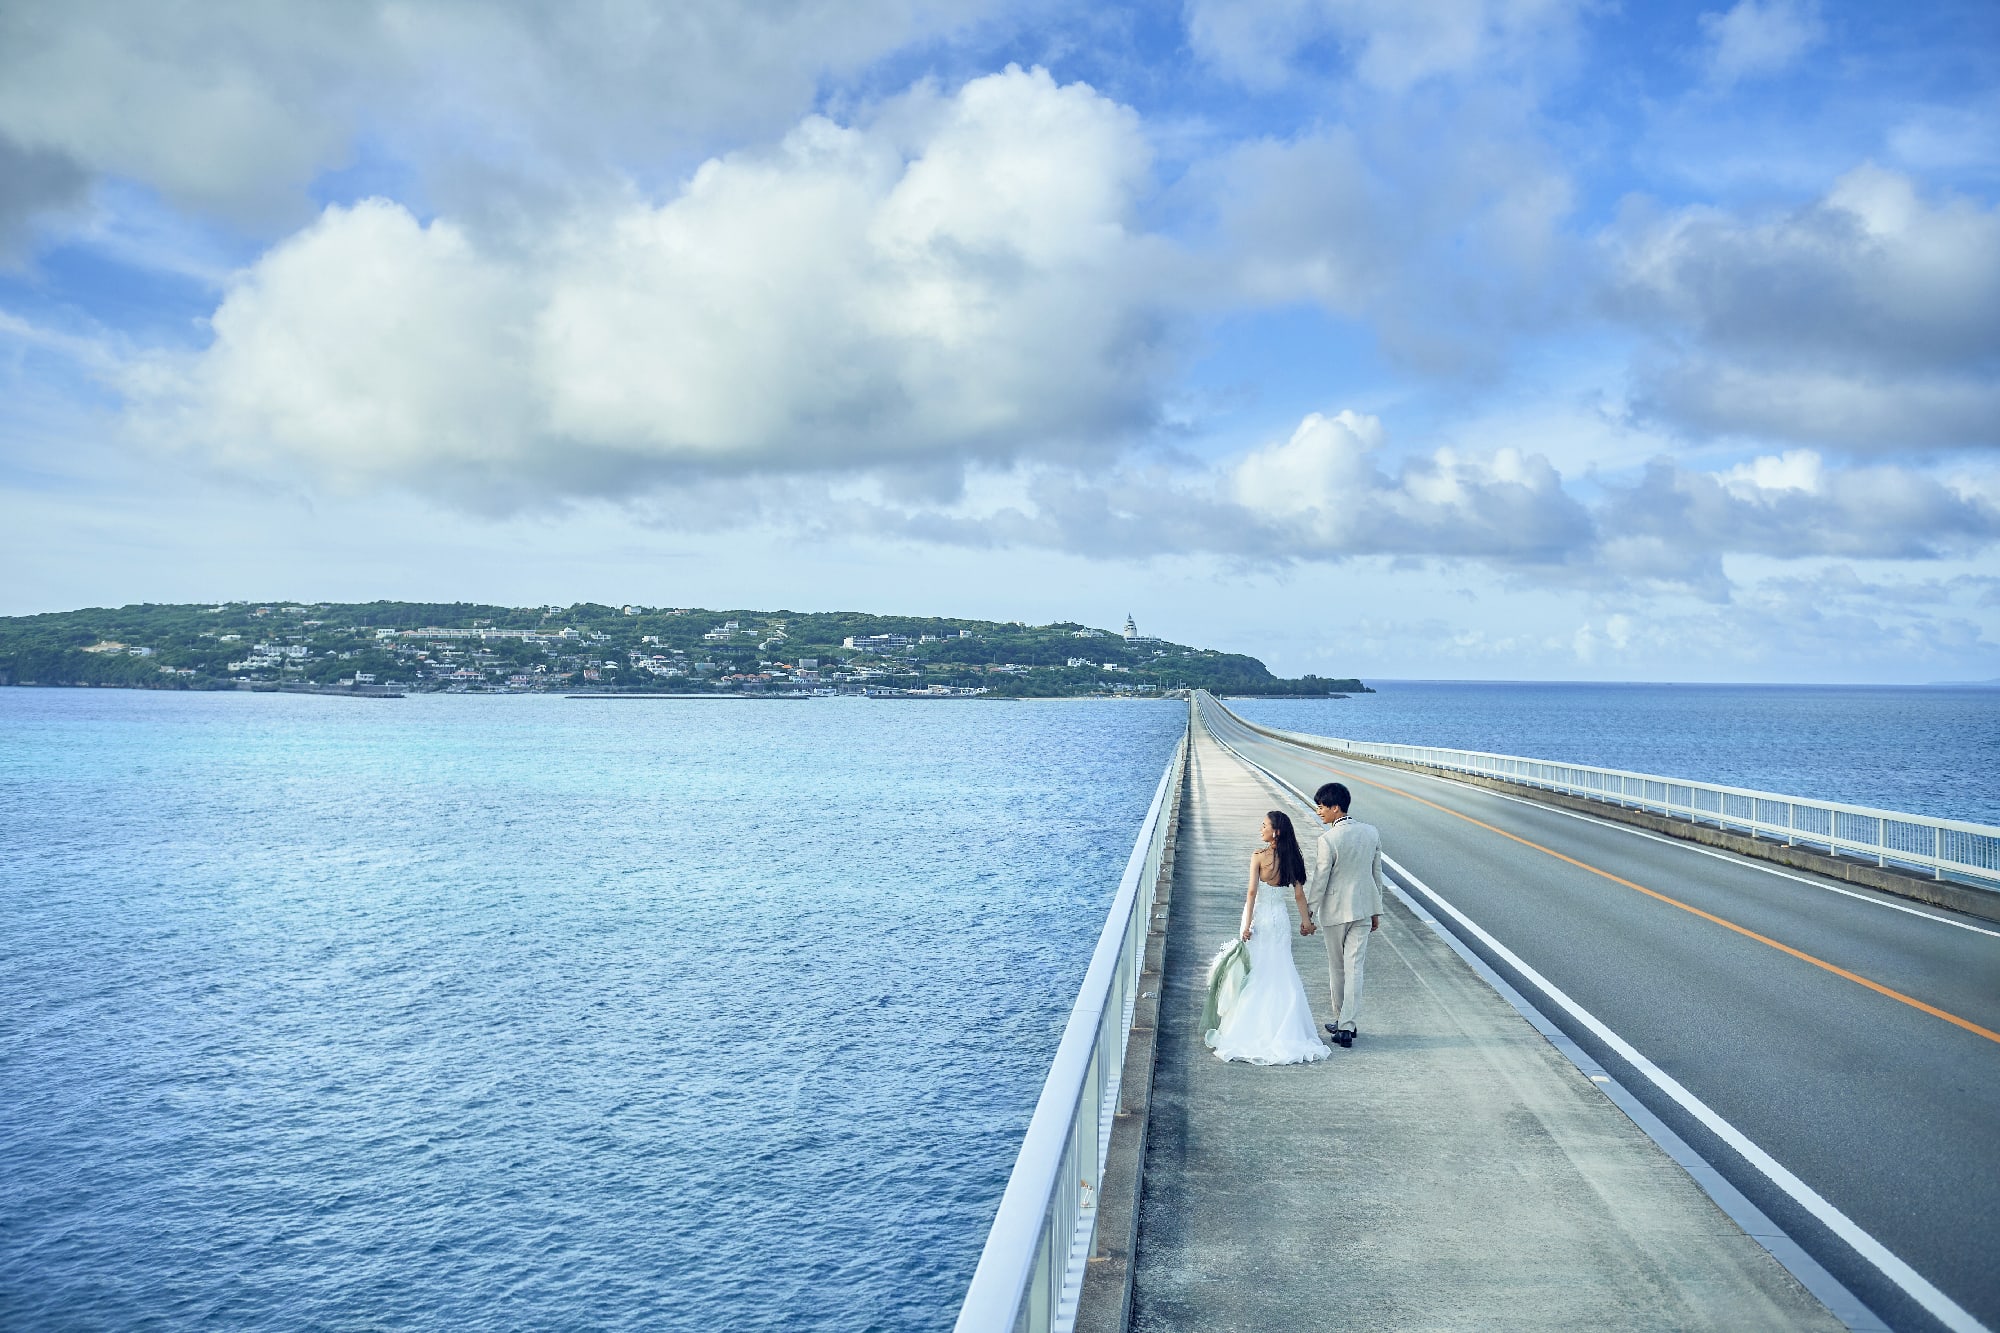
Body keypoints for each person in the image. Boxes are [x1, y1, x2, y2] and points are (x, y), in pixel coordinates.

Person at [1204, 810, 1330, 1065]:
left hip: (1261, 919)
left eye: (1264, 825)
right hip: (1280, 922)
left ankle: (1251, 1029)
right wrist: (1307, 923)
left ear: (1276, 831)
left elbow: (1251, 893)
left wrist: (1246, 925)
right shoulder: (1293, 857)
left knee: (1258, 972)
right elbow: (1298, 896)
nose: (1260, 829)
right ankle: (1287, 1028)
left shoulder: (1258, 857)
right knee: (1282, 970)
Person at [1302, 781, 1386, 1048]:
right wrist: (1376, 910)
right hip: (1363, 909)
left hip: (1335, 913)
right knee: (1355, 968)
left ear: (1336, 808)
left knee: (1337, 968)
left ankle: (1342, 1022)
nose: (1319, 812)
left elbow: (1320, 880)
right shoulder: (1371, 832)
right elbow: (1376, 875)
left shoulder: (1328, 839)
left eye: (1322, 807)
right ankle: (1347, 1025)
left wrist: (1309, 912)